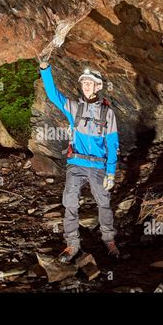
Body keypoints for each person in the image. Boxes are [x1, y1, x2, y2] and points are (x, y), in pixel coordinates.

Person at [39, 61, 120, 263]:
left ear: (98, 86)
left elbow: (112, 143)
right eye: (84, 82)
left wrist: (111, 172)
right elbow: (52, 95)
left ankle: (109, 240)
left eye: (90, 82)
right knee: (70, 202)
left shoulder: (107, 113)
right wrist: (45, 68)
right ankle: (72, 244)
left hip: (99, 166)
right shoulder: (74, 108)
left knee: (104, 203)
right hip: (76, 163)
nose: (86, 85)